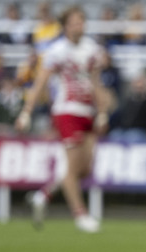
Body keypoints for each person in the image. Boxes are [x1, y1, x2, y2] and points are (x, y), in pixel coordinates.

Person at [15, 5, 109, 233]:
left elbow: (96, 83)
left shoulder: (91, 49)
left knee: (83, 169)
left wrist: (103, 112)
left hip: (87, 111)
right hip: (66, 110)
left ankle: (42, 195)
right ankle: (80, 215)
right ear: (66, 25)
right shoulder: (56, 51)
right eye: (75, 22)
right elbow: (41, 83)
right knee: (72, 166)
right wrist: (26, 111)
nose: (80, 26)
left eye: (82, 22)